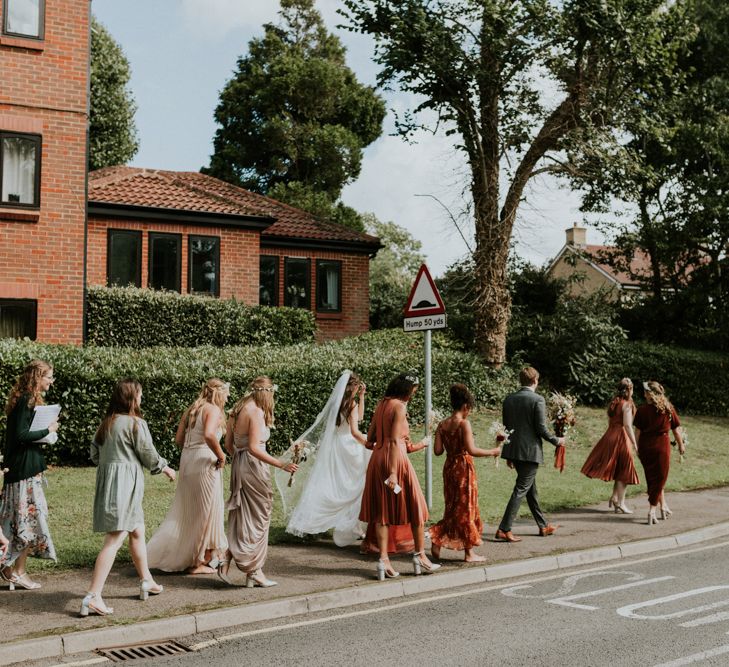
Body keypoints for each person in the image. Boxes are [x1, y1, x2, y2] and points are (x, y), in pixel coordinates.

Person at [80, 379, 176, 617]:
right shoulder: (136, 423)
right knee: (114, 538)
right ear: (132, 399)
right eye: (140, 395)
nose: (141, 399)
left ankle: (146, 580)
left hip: (111, 484)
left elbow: (94, 454)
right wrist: (165, 468)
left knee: (137, 530)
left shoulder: (107, 423)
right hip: (126, 486)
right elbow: (148, 454)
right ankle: (93, 595)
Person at [218, 376, 297, 588]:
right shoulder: (256, 412)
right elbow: (255, 447)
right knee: (261, 514)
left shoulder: (238, 408)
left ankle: (229, 557)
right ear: (267, 393)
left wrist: (239, 459)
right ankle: (254, 570)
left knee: (244, 514)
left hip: (240, 464)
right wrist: (281, 464)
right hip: (253, 466)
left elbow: (228, 443)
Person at [359, 373, 440, 580]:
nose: (413, 395)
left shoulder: (382, 404)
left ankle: (383, 560)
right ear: (406, 390)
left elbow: (370, 439)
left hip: (377, 460)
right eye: (413, 391)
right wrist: (394, 472)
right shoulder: (400, 407)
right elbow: (395, 442)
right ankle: (420, 556)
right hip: (396, 462)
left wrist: (416, 443)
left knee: (382, 513)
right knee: (417, 508)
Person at [277, 371, 370, 546]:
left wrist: (362, 397)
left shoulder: (340, 403)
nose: (359, 388)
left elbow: (359, 418)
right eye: (358, 386)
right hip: (349, 446)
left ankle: (345, 523)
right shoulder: (351, 404)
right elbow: (355, 431)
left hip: (337, 445)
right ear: (353, 386)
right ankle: (351, 524)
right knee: (355, 484)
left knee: (335, 483)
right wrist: (369, 443)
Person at [147, 379, 230, 574]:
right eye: (226, 394)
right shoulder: (213, 409)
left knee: (190, 510)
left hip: (188, 460)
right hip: (204, 462)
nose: (227, 398)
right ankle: (196, 562)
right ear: (219, 393)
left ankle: (206, 554)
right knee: (205, 511)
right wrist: (221, 454)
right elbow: (210, 435)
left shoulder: (192, 409)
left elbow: (179, 439)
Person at [0, 360, 58, 591]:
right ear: (38, 377)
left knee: (15, 521)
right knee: (27, 522)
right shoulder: (26, 400)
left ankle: (8, 570)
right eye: (49, 377)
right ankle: (19, 572)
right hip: (24, 473)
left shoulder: (22, 399)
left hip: (21, 470)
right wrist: (48, 431)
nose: (51, 382)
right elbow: (22, 435)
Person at [429, 384, 500, 562]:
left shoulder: (442, 425)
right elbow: (472, 449)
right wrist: (493, 451)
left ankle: (437, 540)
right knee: (467, 508)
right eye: (470, 409)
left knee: (452, 507)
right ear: (465, 406)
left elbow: (438, 451)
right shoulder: (463, 423)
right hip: (463, 468)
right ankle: (469, 553)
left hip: (449, 468)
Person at [495, 367, 564, 543]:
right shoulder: (537, 400)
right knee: (521, 489)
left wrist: (509, 454)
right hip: (530, 453)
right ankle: (504, 528)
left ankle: (543, 526)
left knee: (530, 489)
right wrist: (557, 440)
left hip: (514, 450)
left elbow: (506, 428)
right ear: (535, 381)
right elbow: (541, 429)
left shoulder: (509, 399)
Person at [581, 378, 640, 514]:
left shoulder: (614, 403)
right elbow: (627, 425)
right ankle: (621, 503)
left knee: (618, 468)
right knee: (625, 470)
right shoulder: (627, 404)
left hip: (609, 436)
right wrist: (635, 443)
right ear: (629, 390)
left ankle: (614, 498)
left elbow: (610, 422)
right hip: (621, 437)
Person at [634, 381, 685, 525]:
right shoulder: (668, 409)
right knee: (659, 479)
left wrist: (637, 448)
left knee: (653, 479)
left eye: (645, 391)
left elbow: (637, 432)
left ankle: (663, 507)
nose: (643, 393)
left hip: (645, 447)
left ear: (650, 394)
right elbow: (676, 429)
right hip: (662, 446)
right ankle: (652, 510)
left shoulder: (642, 410)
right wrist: (681, 445)